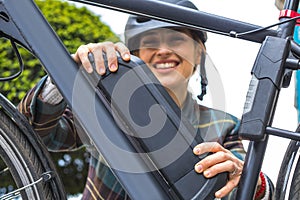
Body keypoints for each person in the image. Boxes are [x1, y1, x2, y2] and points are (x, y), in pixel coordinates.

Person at [18, 0, 273, 199]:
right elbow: (36, 132)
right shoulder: (107, 106)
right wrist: (65, 76)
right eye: (150, 42)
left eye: (176, 40)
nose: (163, 50)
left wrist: (252, 182)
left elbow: (246, 187)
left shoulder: (226, 126)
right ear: (134, 54)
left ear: (199, 54)